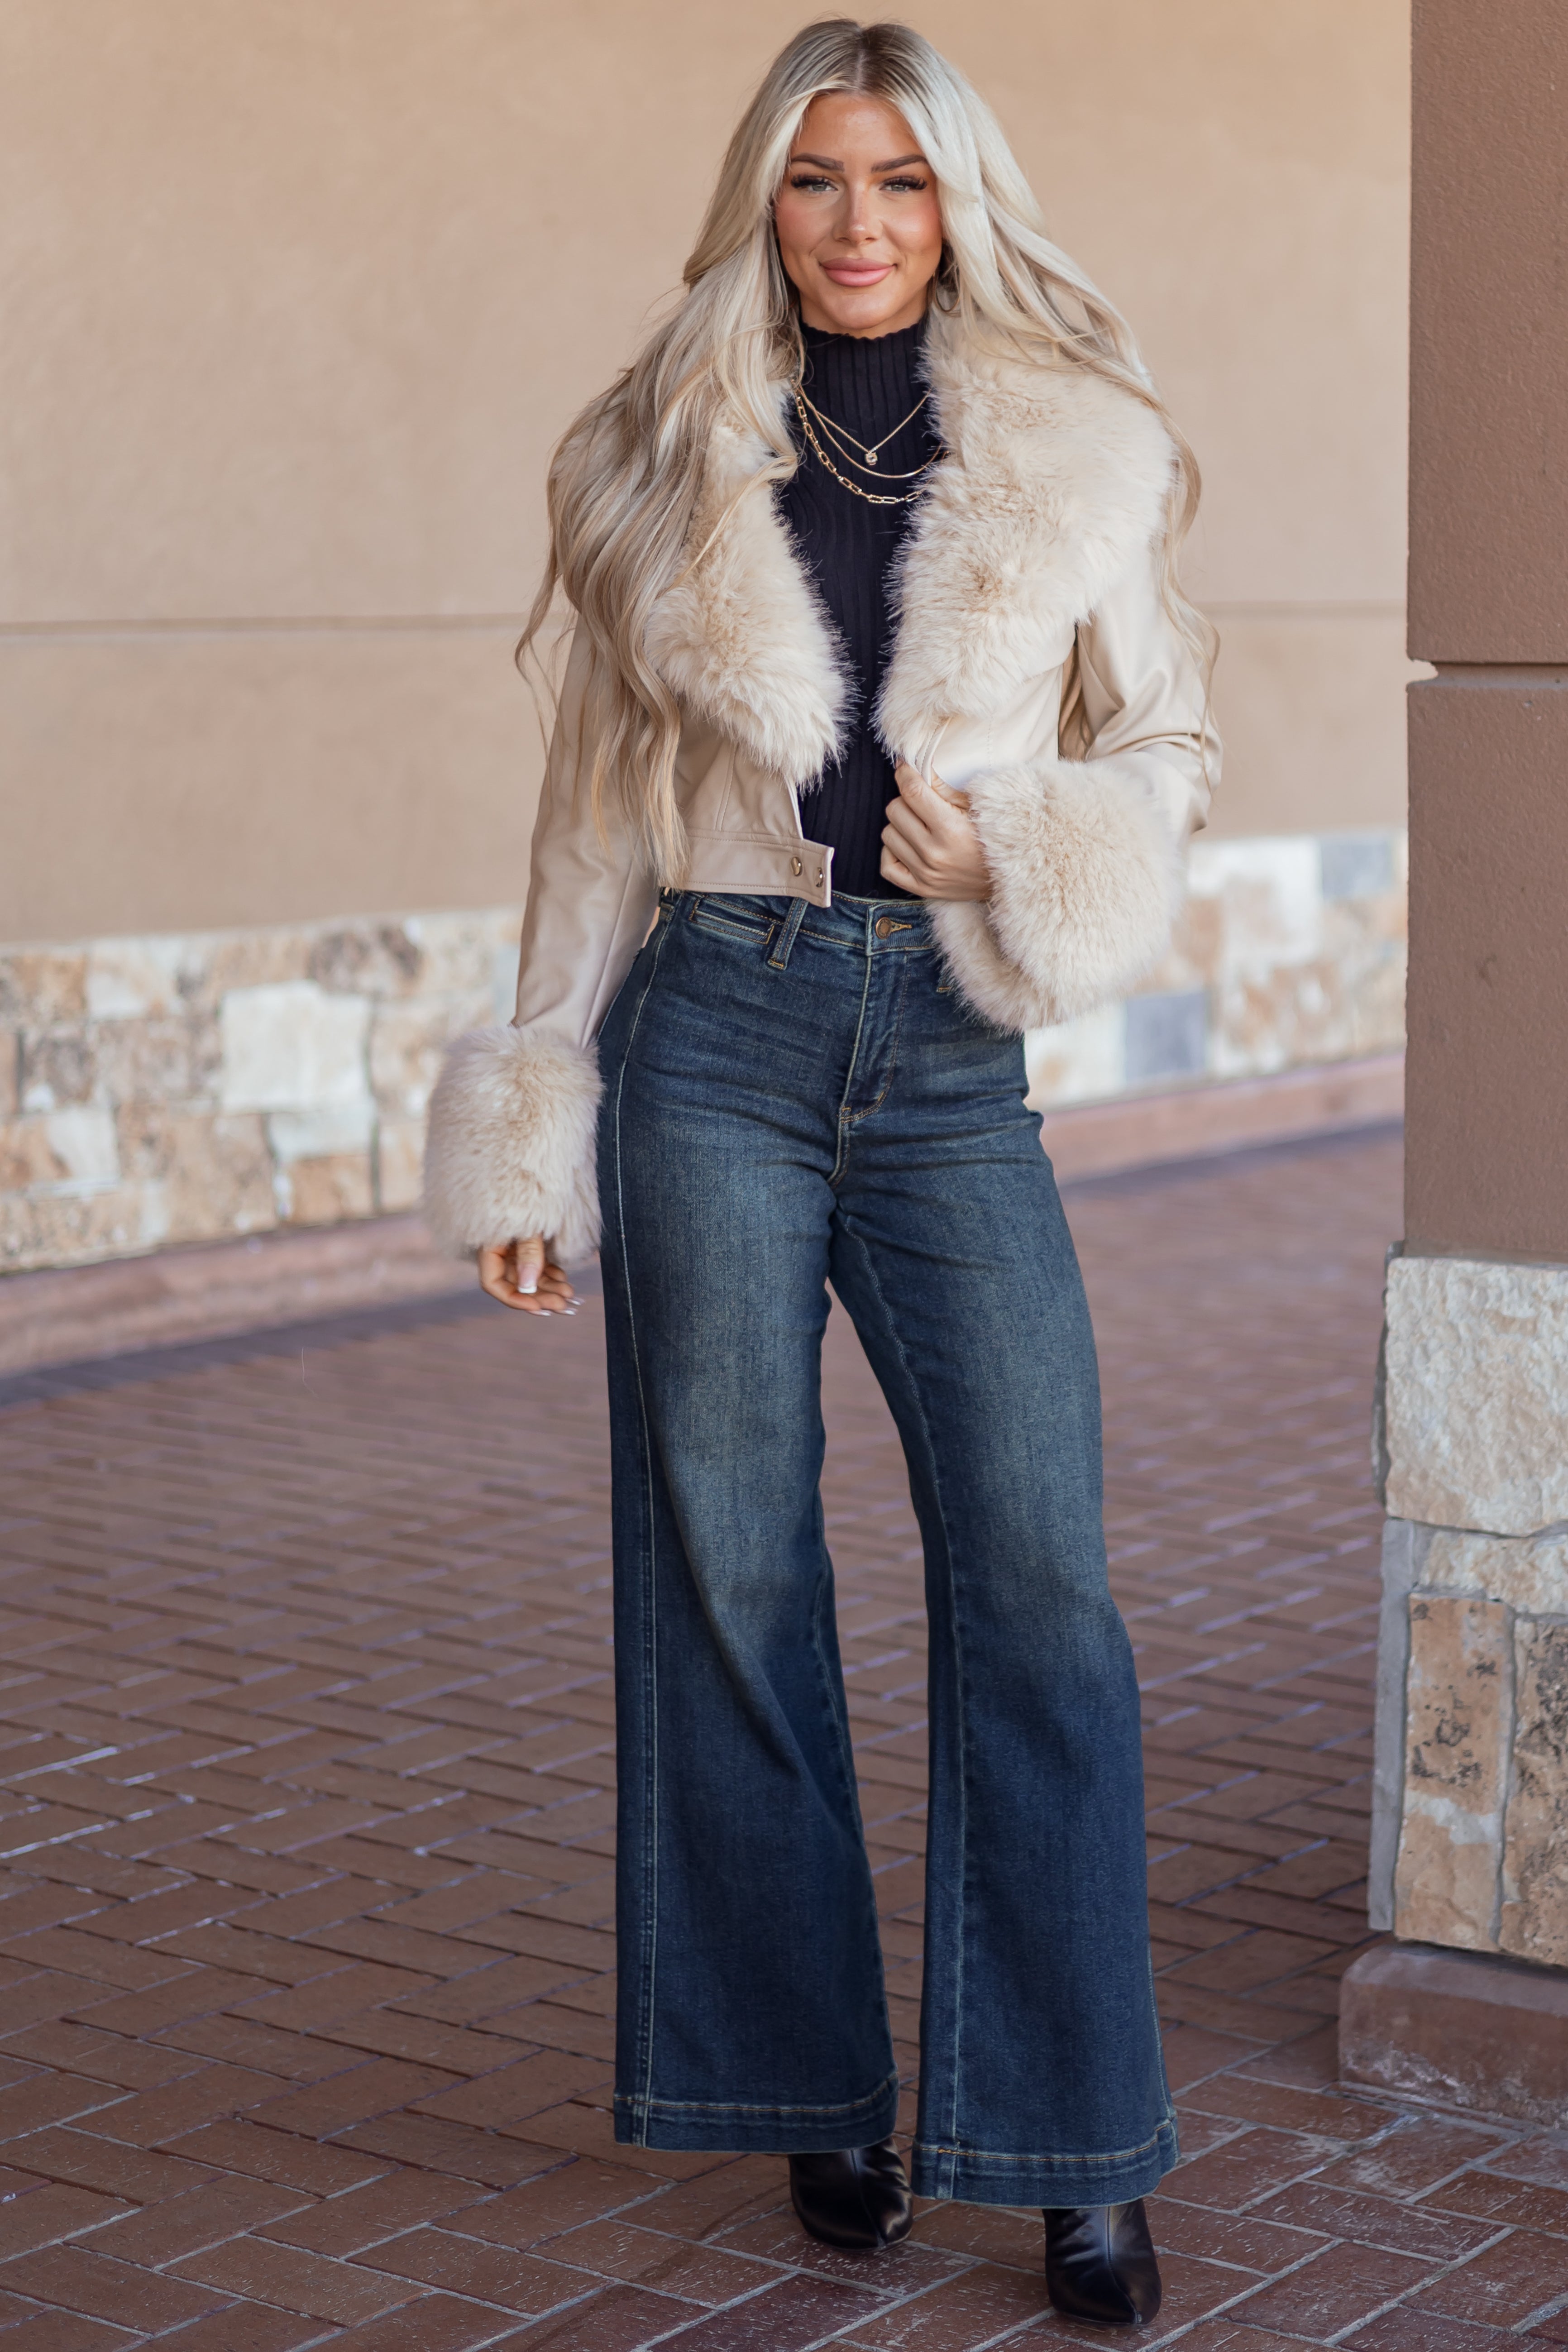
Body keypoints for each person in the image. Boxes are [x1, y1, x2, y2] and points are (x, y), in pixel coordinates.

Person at [425, 17, 1219, 2327]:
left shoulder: (1080, 443)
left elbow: (1166, 742)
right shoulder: (654, 451)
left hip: (949, 1054)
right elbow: (591, 812)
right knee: (729, 1566)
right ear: (760, 203)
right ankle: (805, 2087)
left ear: (957, 201)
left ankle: (1065, 2143)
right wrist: (534, 1106)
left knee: (1039, 1585)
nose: (857, 223)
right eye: (814, 180)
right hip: (714, 1037)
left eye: (897, 180)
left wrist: (1032, 843)